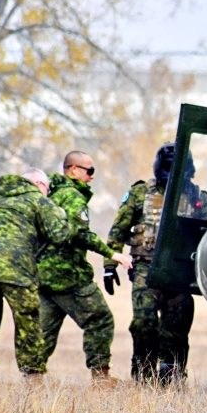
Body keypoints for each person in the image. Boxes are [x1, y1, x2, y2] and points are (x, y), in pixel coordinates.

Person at [105, 142, 207, 385]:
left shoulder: (197, 197)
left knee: (176, 329)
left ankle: (171, 376)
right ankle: (144, 374)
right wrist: (109, 265)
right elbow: (118, 230)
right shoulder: (140, 193)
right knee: (144, 323)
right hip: (146, 267)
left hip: (179, 270)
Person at [0, 168, 75, 384]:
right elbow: (59, 234)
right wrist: (64, 216)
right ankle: (33, 385)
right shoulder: (36, 198)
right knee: (29, 326)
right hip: (16, 271)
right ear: (40, 184)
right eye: (47, 188)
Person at [37, 151, 132, 384]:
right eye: (89, 171)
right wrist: (112, 254)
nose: (92, 176)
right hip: (68, 274)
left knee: (44, 330)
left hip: (44, 274)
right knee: (100, 319)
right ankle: (100, 378)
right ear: (73, 170)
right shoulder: (72, 197)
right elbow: (81, 235)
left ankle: (32, 378)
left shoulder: (51, 195)